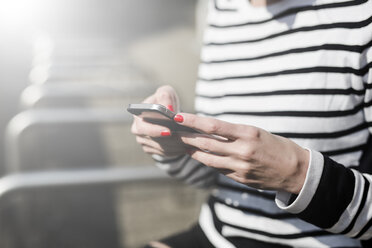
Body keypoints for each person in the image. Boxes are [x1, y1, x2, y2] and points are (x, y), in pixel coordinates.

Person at [131, 0, 372, 247]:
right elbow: (213, 181)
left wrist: (298, 175)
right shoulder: (222, 8)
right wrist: (175, 148)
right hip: (218, 234)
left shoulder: (362, 14)